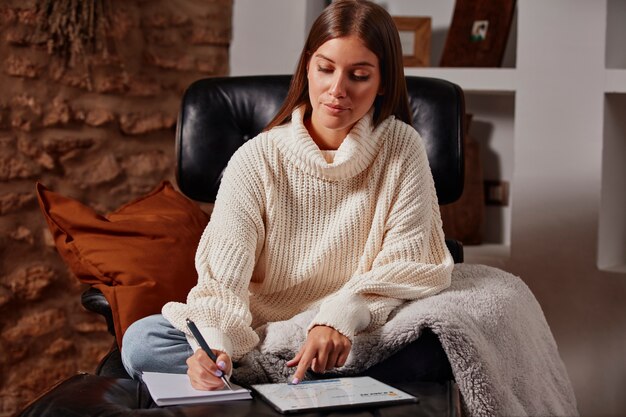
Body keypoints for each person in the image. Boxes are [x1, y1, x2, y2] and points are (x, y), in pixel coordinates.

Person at [121, 0, 453, 390]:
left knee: (440, 340)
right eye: (326, 69)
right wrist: (214, 348)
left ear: (383, 83)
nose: (337, 90)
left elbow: (406, 263)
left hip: (357, 324)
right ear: (307, 65)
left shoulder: (401, 147)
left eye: (359, 76)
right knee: (142, 342)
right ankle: (289, 372)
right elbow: (222, 281)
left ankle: (271, 376)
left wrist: (338, 317)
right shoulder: (257, 158)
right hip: (267, 329)